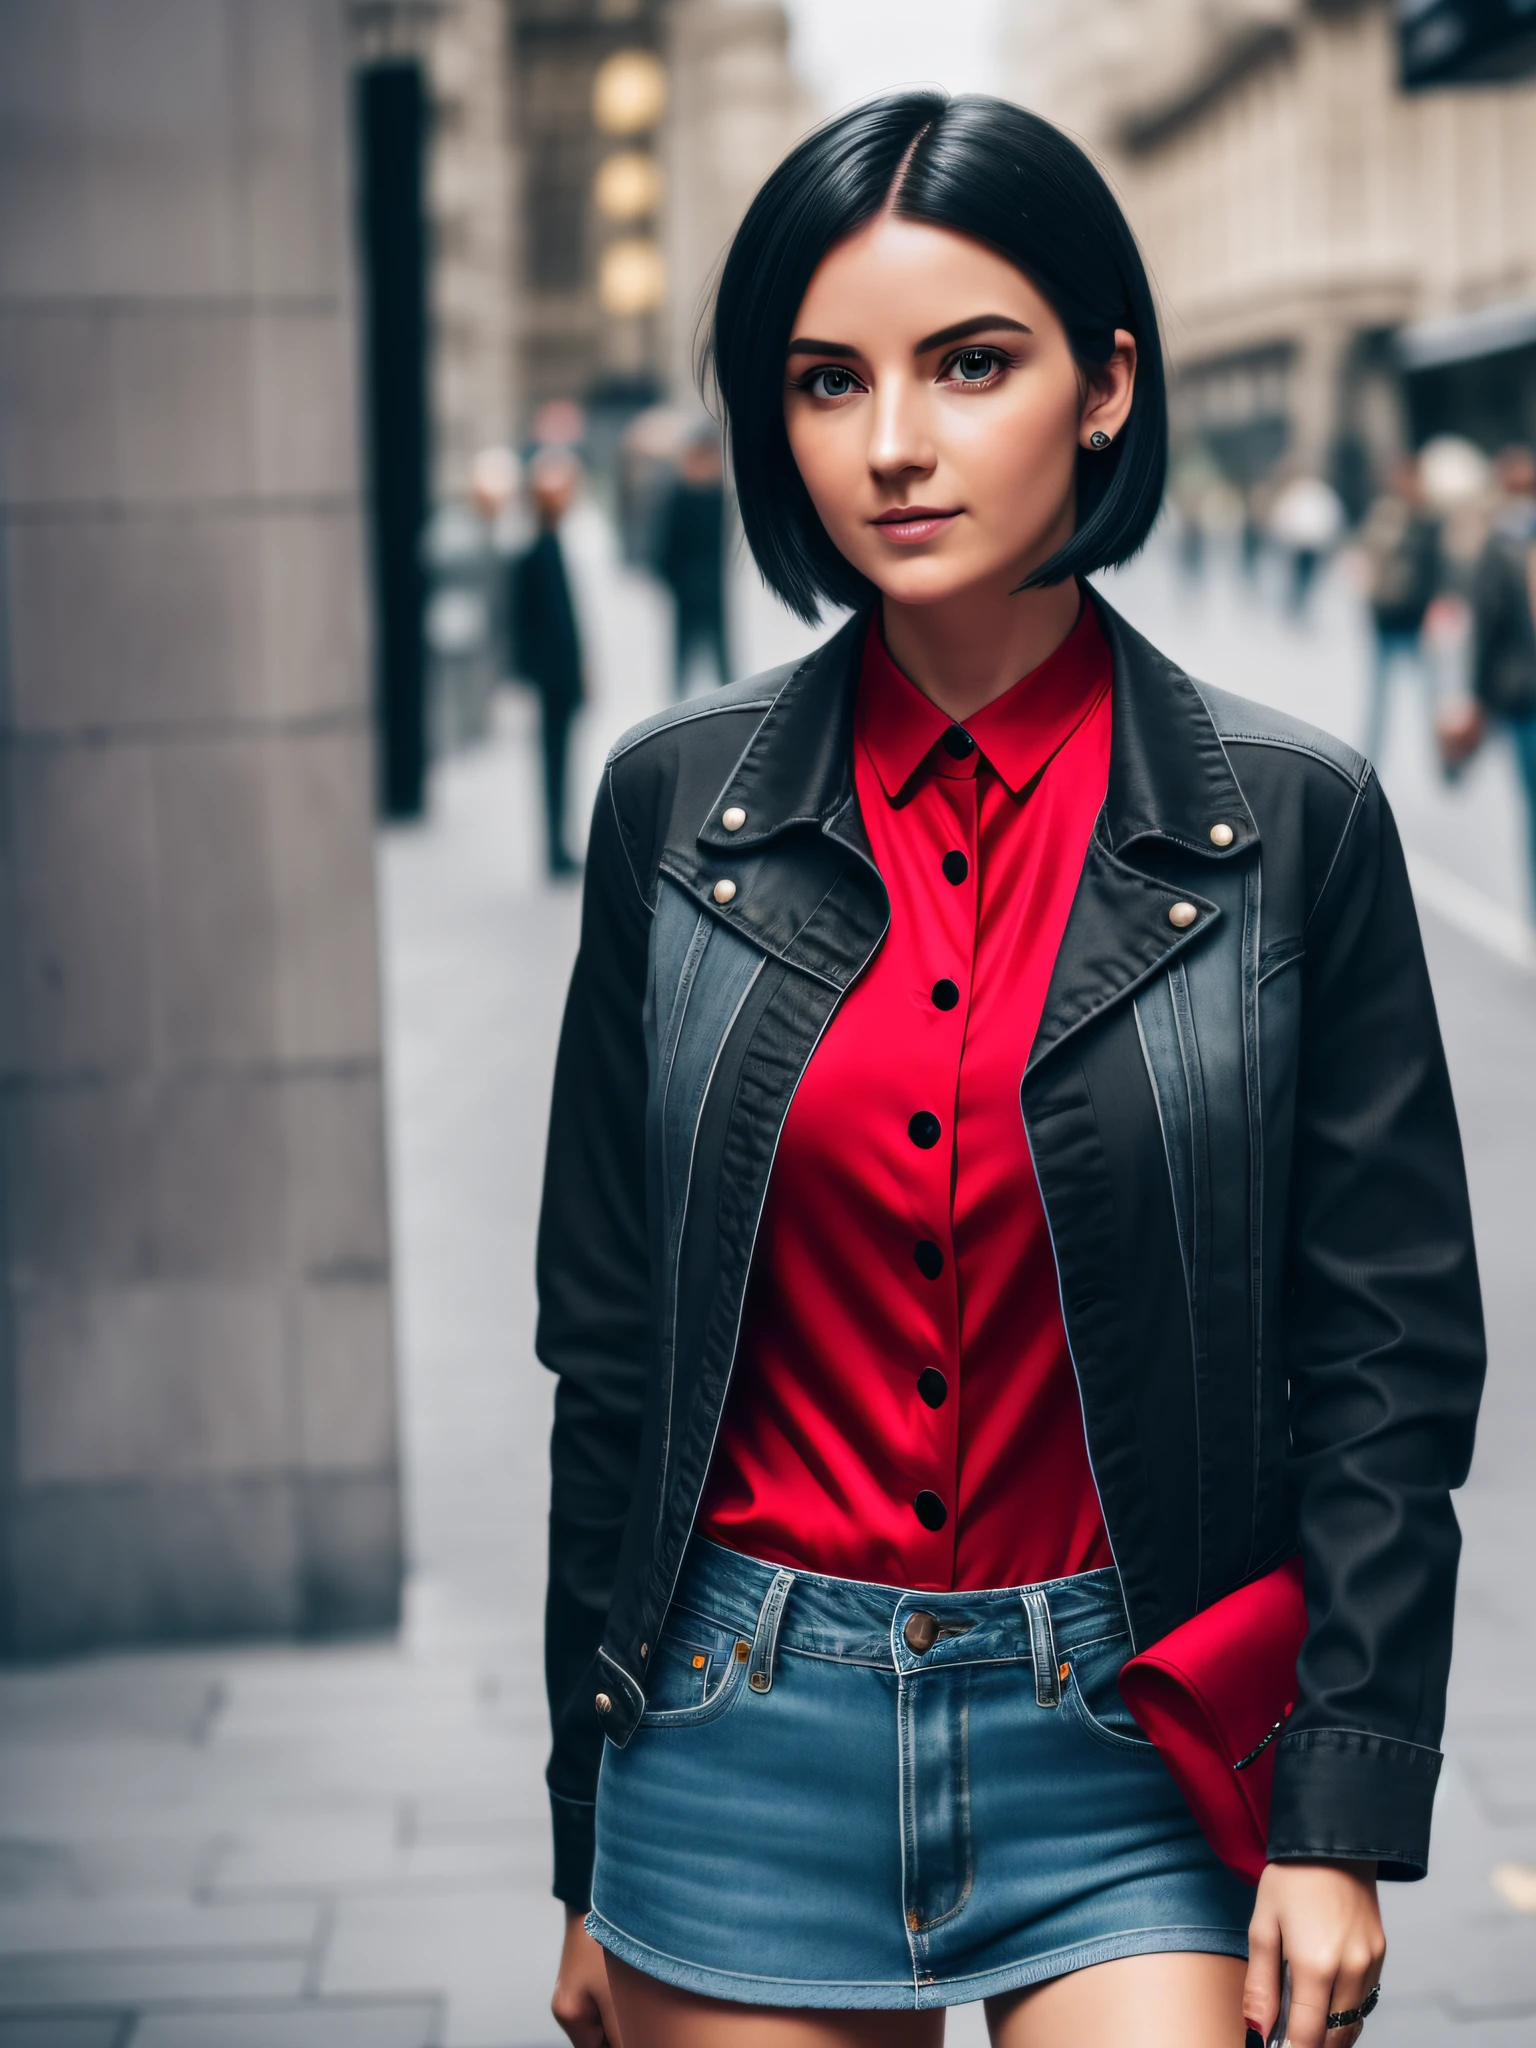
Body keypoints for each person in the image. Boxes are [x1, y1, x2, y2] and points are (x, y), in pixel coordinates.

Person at [538, 94, 1484, 2048]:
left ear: (1108, 383)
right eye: (826, 380)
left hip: (1134, 1730)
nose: (894, 442)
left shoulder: (1295, 825)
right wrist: (584, 1838)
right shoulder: (671, 812)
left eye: (971, 363)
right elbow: (611, 1354)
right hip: (730, 1730)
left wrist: (1338, 1811)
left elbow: (1388, 1358)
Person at [510, 449, 584, 876]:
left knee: (560, 758)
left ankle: (559, 842)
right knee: (553, 759)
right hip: (553, 675)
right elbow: (535, 621)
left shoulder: (555, 544)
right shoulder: (538, 550)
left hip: (561, 672)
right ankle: (554, 847)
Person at [1469, 444, 1536, 902]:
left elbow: (1486, 629)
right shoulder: (1501, 542)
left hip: (1524, 694)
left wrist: (1479, 698)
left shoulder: (1498, 543)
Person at [1359, 455, 1441, 763]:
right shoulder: (1386, 513)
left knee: (1432, 692)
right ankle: (1373, 752)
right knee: (1380, 692)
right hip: (1386, 614)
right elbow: (1370, 550)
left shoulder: (1428, 517)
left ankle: (1438, 752)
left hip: (1418, 616)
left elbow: (1436, 565)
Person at [658, 429, 731, 695]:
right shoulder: (681, 495)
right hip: (687, 583)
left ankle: (730, 692)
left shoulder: (716, 497)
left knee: (720, 646)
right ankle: (679, 694)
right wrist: (671, 578)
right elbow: (668, 542)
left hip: (712, 583)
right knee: (684, 647)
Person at [1269, 470, 1345, 616]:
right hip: (1299, 545)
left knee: (1305, 575)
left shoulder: (1320, 495)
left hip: (1311, 546)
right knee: (1297, 575)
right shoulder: (1298, 495)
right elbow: (1284, 516)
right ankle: (1296, 600)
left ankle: (1301, 599)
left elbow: (1331, 518)